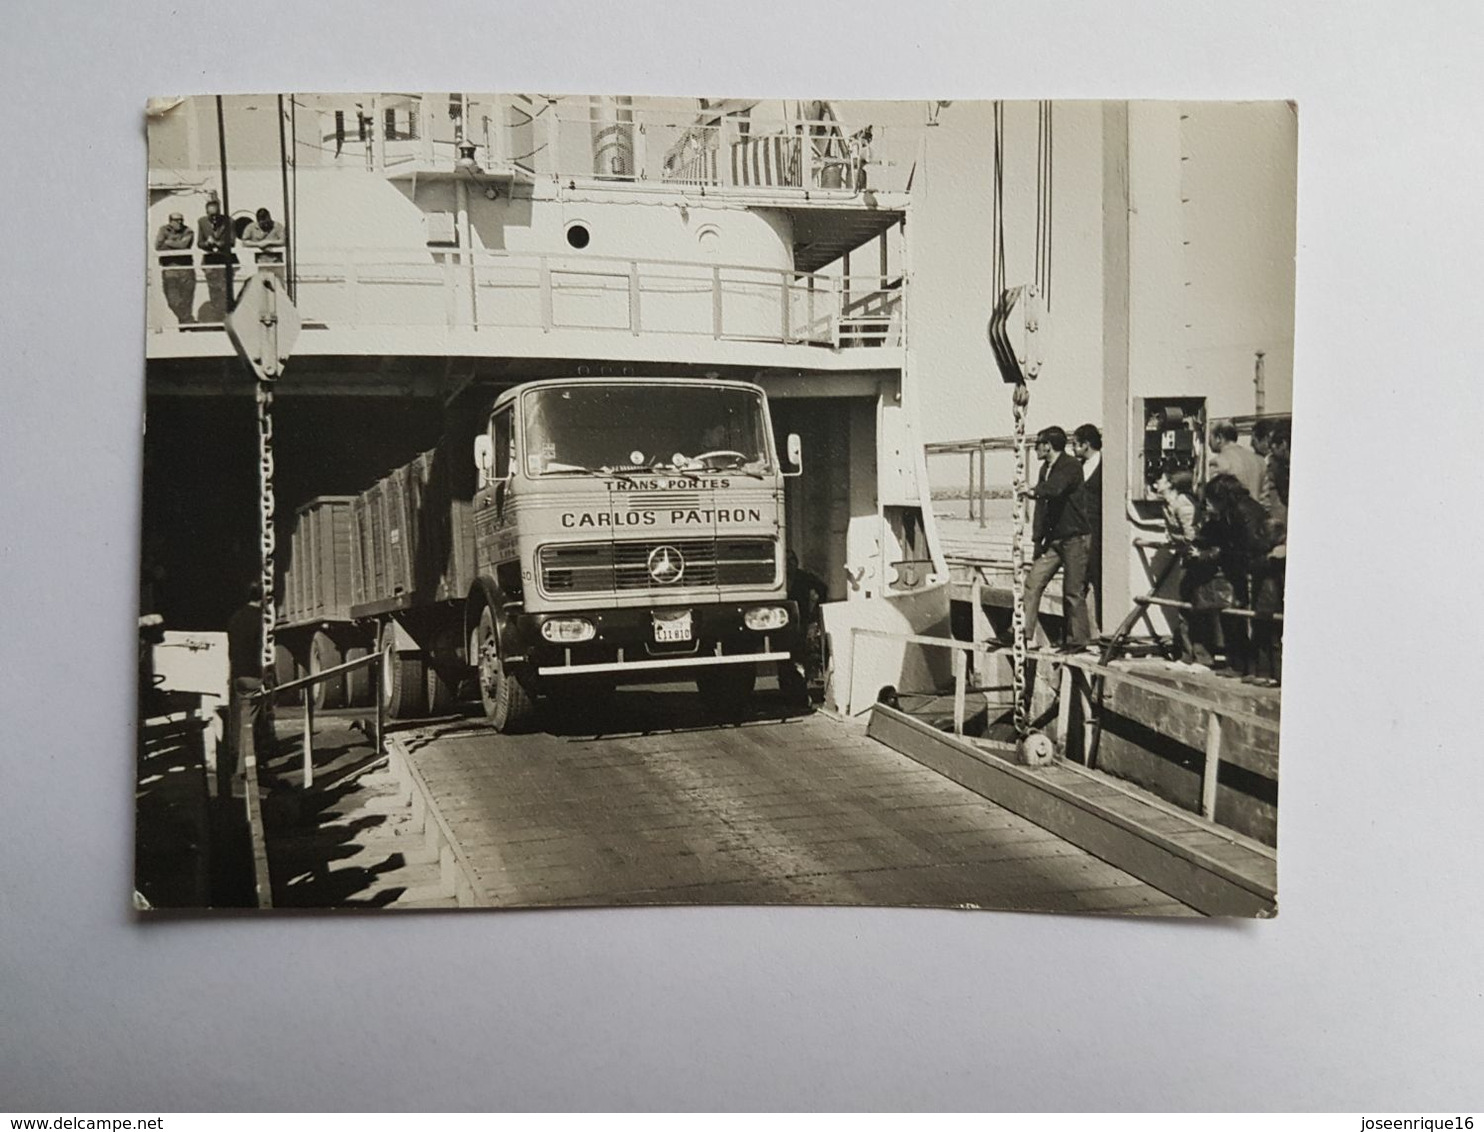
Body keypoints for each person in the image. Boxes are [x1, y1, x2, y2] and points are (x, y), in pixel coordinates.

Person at [1018, 426, 1092, 652]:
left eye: (1037, 445)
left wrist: (1032, 491)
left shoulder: (1070, 466)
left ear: (1047, 446)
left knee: (1073, 590)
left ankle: (1078, 640)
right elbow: (1043, 508)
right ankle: (1023, 633)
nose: (1035, 449)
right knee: (1033, 581)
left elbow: (1056, 489)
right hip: (1055, 541)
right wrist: (1037, 540)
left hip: (1075, 538)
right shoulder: (1045, 469)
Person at [1200, 473, 1276, 680]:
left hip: (1251, 569)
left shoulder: (1243, 511)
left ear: (1221, 497)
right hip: (1242, 569)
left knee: (1249, 618)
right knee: (1237, 616)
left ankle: (1252, 667)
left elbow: (1250, 545)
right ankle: (1243, 665)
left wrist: (1223, 553)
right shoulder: (1234, 510)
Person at [1155, 470, 1210, 667]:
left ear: (1170, 483)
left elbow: (1192, 535)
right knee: (1185, 605)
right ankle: (1187, 655)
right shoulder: (1168, 505)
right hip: (1187, 557)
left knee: (1193, 606)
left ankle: (1200, 657)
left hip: (1196, 559)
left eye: (1160, 479)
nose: (1156, 482)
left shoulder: (1183, 504)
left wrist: (1176, 541)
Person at [225, 583, 274, 791]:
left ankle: (240, 763)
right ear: (262, 599)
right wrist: (268, 679)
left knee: (239, 720)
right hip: (254, 677)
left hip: (237, 676)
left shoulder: (235, 618)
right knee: (251, 724)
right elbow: (264, 652)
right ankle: (243, 771)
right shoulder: (261, 621)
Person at [1072, 423, 1103, 627]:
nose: (1073, 449)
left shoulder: (1105, 466)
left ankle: (1104, 627)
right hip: (1081, 531)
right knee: (1077, 581)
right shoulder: (1080, 466)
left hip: (1099, 532)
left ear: (1086, 444)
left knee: (1099, 580)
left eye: (1075, 444)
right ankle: (1076, 634)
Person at [154, 211, 195, 324]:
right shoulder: (163, 230)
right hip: (169, 269)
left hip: (186, 269)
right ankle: (188, 321)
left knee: (187, 300)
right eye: (177, 220)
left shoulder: (188, 230)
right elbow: (158, 247)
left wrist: (168, 242)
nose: (180, 222)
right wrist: (176, 243)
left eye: (181, 220)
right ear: (170, 221)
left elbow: (184, 246)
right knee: (172, 300)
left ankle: (186, 328)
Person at [197, 194, 234, 320]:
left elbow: (232, 241)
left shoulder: (229, 221)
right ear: (206, 213)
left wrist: (219, 244)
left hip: (225, 261)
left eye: (215, 215)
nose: (213, 218)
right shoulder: (201, 222)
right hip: (210, 262)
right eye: (210, 215)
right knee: (213, 291)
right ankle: (218, 318)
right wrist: (207, 244)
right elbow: (199, 243)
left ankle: (227, 318)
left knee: (226, 290)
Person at [1207, 420, 1265, 500]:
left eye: (1210, 437)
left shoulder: (1218, 462)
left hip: (1233, 512)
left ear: (1219, 438)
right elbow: (1266, 500)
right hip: (1257, 511)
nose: (1208, 442)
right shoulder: (1260, 460)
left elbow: (1215, 500)